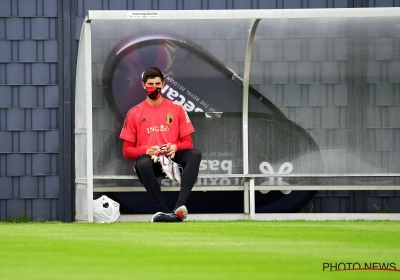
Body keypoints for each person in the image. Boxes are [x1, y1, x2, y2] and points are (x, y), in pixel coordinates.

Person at [119, 67, 202, 222]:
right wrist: (147, 150)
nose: (154, 87)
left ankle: (179, 207)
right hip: (151, 162)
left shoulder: (177, 108)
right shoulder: (134, 112)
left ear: (163, 84)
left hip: (173, 158)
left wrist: (176, 147)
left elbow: (188, 143)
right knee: (143, 162)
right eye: (150, 84)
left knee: (195, 154)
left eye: (158, 83)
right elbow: (126, 151)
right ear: (143, 85)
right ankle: (165, 212)